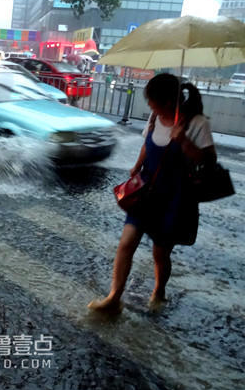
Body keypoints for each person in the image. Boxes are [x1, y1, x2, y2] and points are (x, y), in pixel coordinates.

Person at [89, 73, 216, 313]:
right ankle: (114, 297)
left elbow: (209, 160)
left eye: (152, 100)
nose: (149, 104)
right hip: (147, 191)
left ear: (168, 101)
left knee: (160, 252)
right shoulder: (155, 116)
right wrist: (138, 164)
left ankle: (159, 290)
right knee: (126, 243)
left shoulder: (197, 123)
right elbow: (149, 145)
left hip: (175, 197)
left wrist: (185, 143)